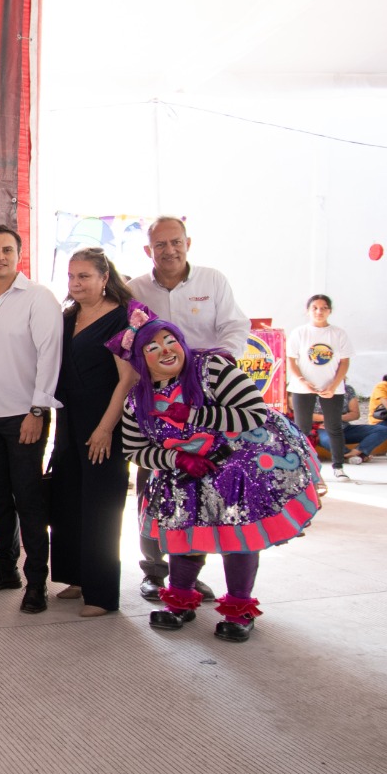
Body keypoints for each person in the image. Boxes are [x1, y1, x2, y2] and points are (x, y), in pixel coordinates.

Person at [112, 305, 322, 643]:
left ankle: (239, 609)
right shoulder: (137, 400)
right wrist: (176, 459)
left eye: (171, 341)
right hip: (184, 475)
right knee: (183, 533)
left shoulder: (212, 369)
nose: (166, 350)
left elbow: (254, 413)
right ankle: (180, 601)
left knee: (237, 535)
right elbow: (135, 450)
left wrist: (195, 414)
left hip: (237, 468)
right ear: (140, 359)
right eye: (153, 346)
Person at [127, 216, 249, 602]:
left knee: (205, 488)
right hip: (156, 405)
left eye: (175, 242)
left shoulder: (212, 281)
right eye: (160, 244)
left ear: (188, 243)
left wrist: (219, 359)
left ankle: (188, 576)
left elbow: (236, 326)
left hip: (206, 402)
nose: (169, 250)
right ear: (148, 250)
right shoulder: (135, 290)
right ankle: (154, 570)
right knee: (153, 484)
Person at [0, 226, 62, 614]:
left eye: (6, 250)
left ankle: (36, 581)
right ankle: (5, 569)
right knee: (0, 499)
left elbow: (50, 357)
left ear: (18, 255)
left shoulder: (38, 298)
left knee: (29, 501)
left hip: (24, 418)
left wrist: (38, 410)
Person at [46, 249, 133, 617]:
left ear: (104, 277)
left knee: (101, 507)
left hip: (105, 422)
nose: (76, 283)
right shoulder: (68, 317)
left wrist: (105, 428)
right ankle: (77, 578)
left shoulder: (122, 318)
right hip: (69, 421)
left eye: (84, 276)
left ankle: (101, 594)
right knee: (68, 500)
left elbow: (128, 380)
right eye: (71, 276)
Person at [287, 294, 355, 482]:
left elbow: (344, 362)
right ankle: (302, 468)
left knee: (334, 427)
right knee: (302, 428)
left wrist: (333, 385)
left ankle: (338, 467)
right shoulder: (299, 333)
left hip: (332, 388)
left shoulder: (338, 333)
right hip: (303, 388)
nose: (319, 311)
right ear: (308, 311)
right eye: (315, 308)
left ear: (329, 311)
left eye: (323, 308)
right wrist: (303, 381)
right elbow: (291, 360)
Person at [315, 385, 387, 464]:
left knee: (383, 430)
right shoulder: (311, 390)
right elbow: (306, 415)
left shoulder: (347, 389)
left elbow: (355, 414)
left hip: (344, 428)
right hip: (322, 428)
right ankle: (349, 455)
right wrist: (327, 419)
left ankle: (358, 452)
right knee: (328, 440)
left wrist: (337, 418)